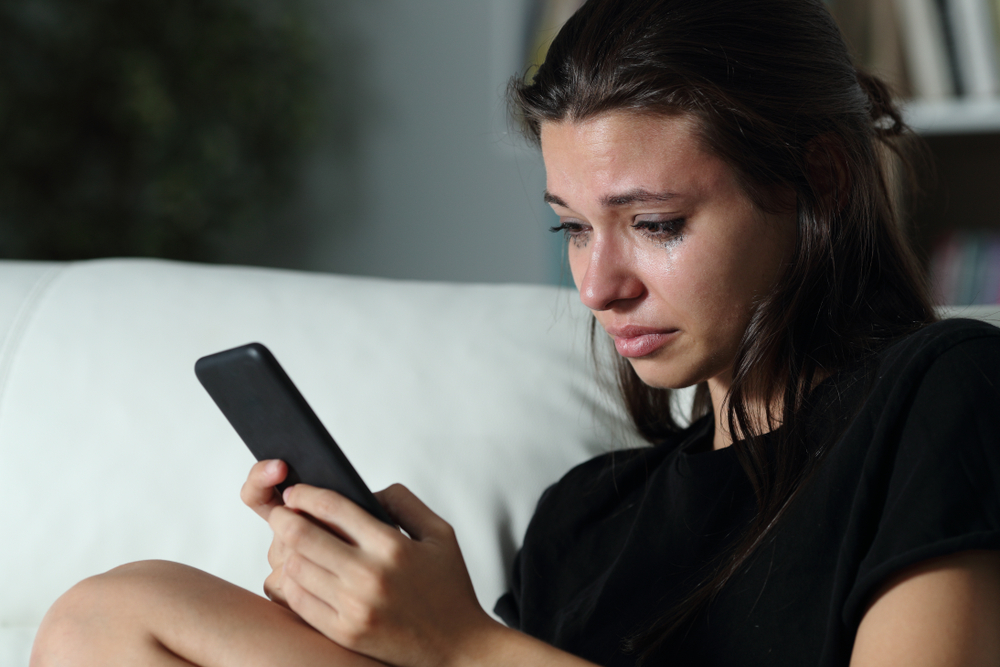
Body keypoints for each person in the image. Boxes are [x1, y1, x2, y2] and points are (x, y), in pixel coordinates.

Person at [30, 0, 1000, 665]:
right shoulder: (584, 520)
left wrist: (463, 644)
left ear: (819, 181)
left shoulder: (941, 393)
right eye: (572, 227)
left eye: (654, 223)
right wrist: (363, 615)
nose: (597, 284)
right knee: (118, 613)